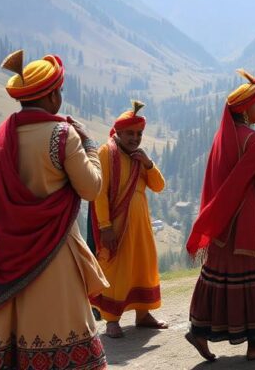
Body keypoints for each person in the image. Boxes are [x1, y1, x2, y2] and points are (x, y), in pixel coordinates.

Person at [0, 50, 108, 369]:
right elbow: (91, 188)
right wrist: (89, 144)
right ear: (50, 96)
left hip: (9, 260)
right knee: (63, 331)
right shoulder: (64, 135)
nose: (60, 97)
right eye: (59, 91)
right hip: (56, 254)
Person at [186, 70, 255, 362]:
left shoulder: (223, 137)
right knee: (251, 279)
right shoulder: (253, 141)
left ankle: (199, 331)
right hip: (249, 225)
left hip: (222, 224)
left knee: (218, 277)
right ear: (244, 109)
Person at [90, 101, 168, 338]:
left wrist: (148, 163)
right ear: (119, 133)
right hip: (116, 224)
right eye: (130, 133)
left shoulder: (138, 158)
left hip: (141, 222)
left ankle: (143, 314)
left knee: (144, 264)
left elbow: (159, 186)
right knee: (116, 268)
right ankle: (111, 319)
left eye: (139, 134)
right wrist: (105, 227)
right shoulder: (106, 152)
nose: (135, 138)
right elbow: (99, 193)